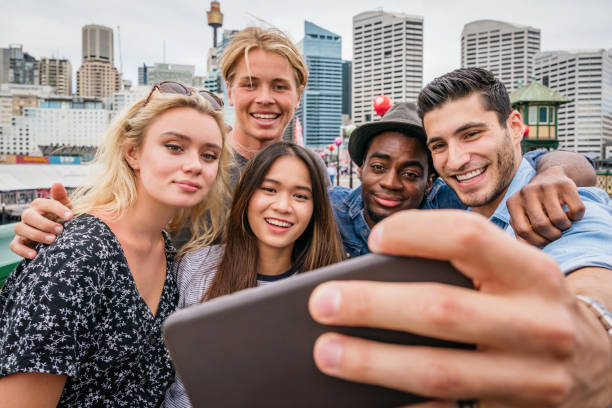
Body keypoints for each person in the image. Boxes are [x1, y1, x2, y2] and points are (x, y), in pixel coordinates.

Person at [308, 68, 612, 407]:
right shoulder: (456, 206)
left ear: (514, 128)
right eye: (440, 145)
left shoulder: (555, 201)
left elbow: (590, 264)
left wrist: (593, 331)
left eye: (470, 135)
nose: (456, 160)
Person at [0, 85, 232, 407]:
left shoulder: (165, 250)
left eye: (209, 155)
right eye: (175, 147)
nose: (195, 164)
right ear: (132, 153)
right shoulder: (79, 255)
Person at [8, 26, 318, 256]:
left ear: (298, 94)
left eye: (279, 86)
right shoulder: (189, 165)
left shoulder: (309, 171)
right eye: (250, 84)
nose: (265, 98)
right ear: (231, 90)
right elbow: (119, 206)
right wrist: (56, 225)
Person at [164, 141, 345, 408]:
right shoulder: (194, 268)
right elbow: (170, 380)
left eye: (300, 196)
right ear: (246, 196)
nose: (283, 206)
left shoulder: (331, 291)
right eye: (269, 190)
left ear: (315, 209)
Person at [330, 101, 597, 258]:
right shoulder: (329, 209)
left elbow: (576, 164)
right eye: (377, 167)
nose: (390, 182)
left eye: (410, 174)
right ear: (360, 169)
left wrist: (551, 175)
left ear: (430, 182)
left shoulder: (456, 204)